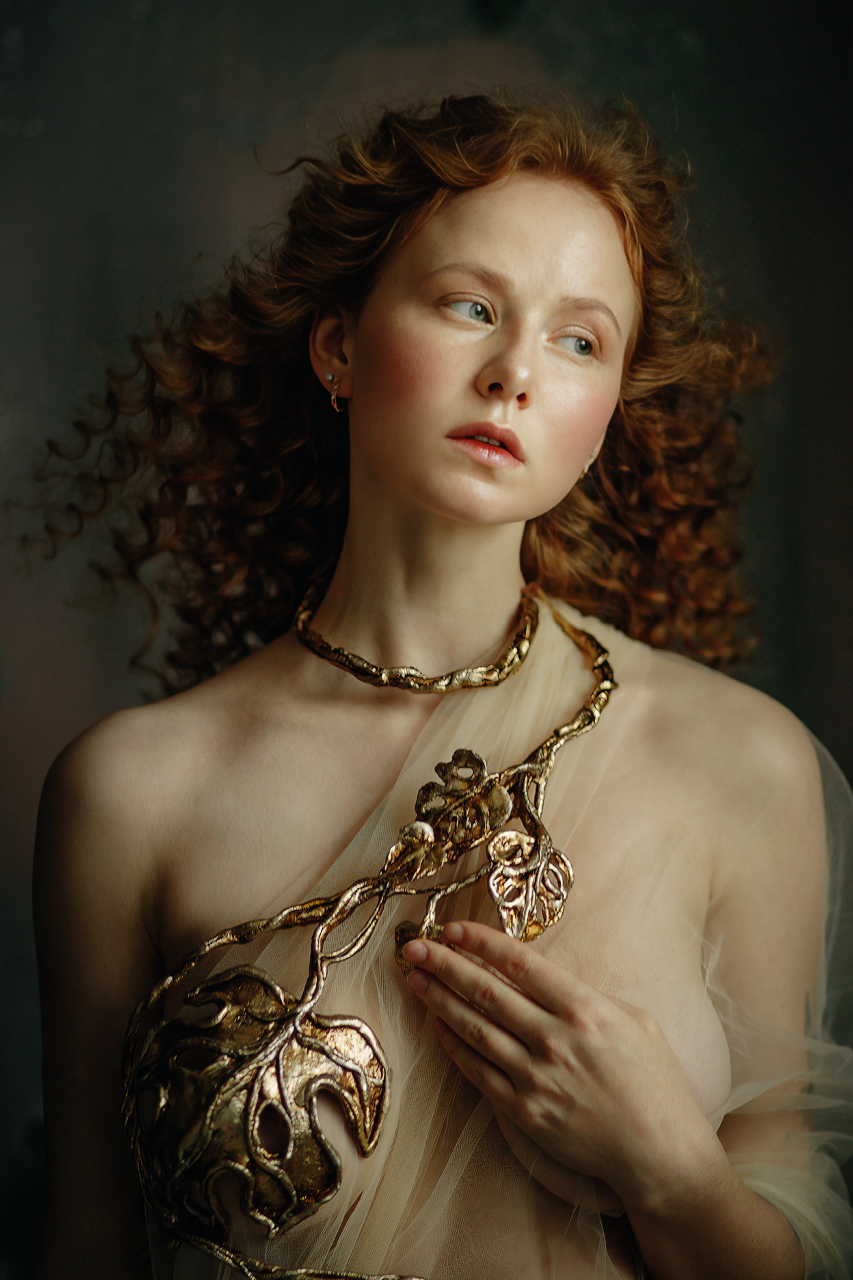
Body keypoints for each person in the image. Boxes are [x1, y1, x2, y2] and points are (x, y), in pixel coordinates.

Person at [29, 93, 853, 1280]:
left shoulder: (739, 762)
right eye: (470, 306)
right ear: (338, 346)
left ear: (607, 413)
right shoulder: (131, 793)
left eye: (580, 341)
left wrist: (670, 1171)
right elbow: (88, 1243)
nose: (514, 372)